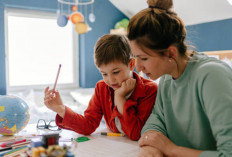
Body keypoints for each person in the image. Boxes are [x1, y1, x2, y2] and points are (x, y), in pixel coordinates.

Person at [127, 0, 232, 156]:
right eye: (136, 57)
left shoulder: (211, 76)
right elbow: (156, 120)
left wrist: (171, 149)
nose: (138, 67)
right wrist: (150, 146)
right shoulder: (167, 80)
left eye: (144, 58)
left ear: (171, 53)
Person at [44, 34, 158, 141]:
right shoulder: (102, 87)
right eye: (104, 74)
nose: (111, 80)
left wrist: (120, 98)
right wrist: (61, 109)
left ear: (131, 64)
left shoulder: (150, 90)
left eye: (116, 72)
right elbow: (88, 125)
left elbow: (135, 134)